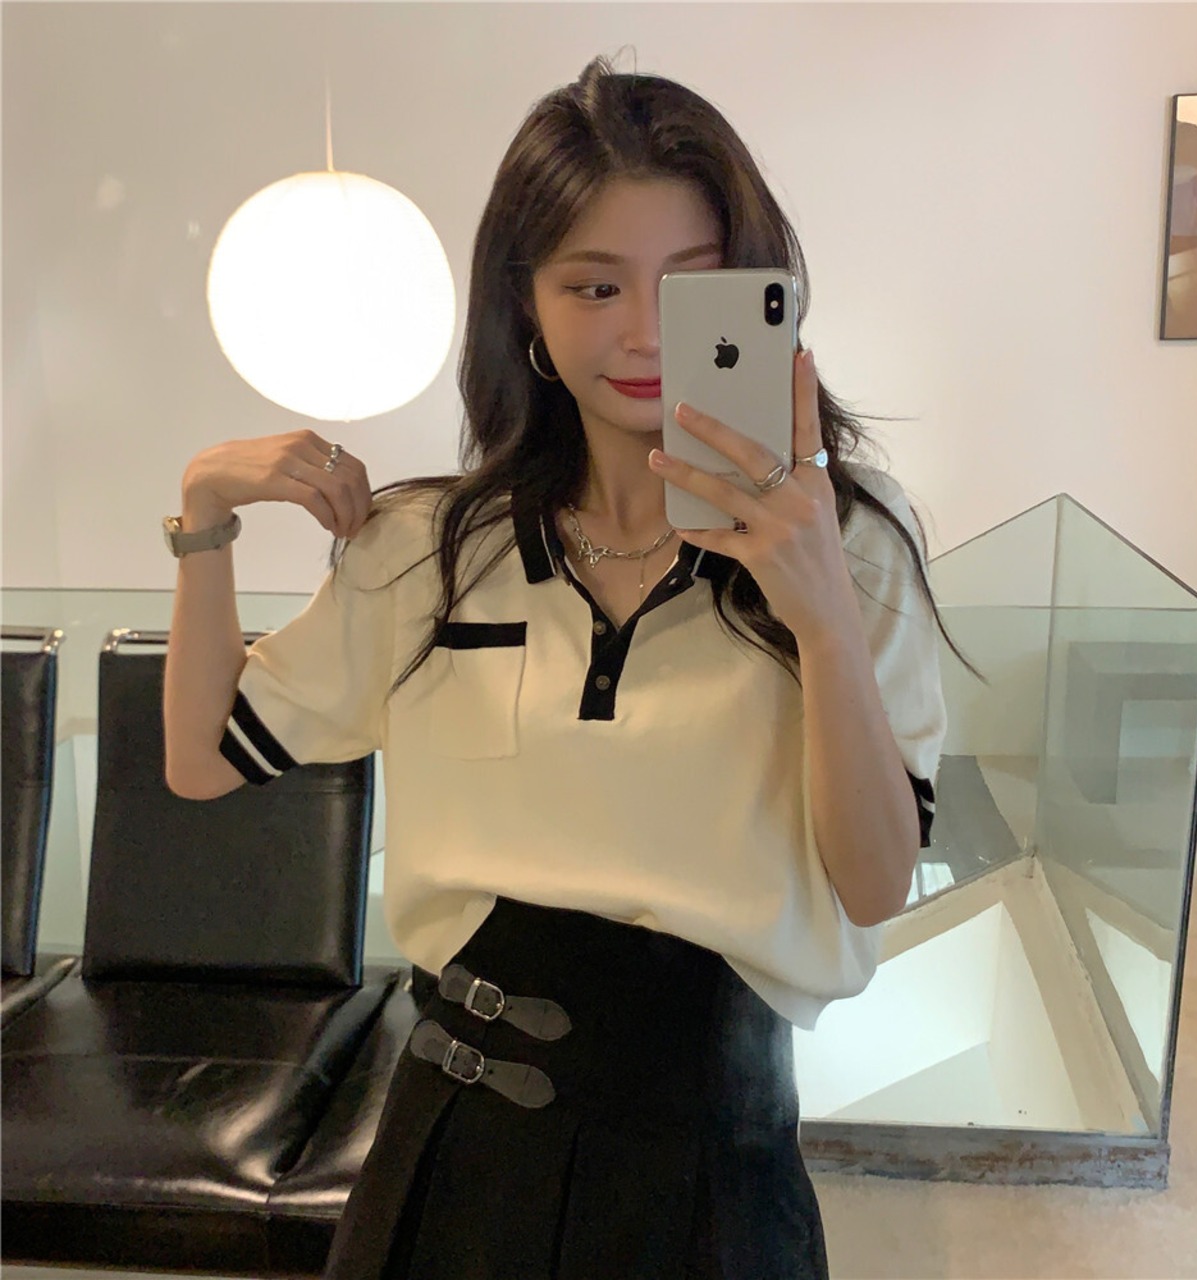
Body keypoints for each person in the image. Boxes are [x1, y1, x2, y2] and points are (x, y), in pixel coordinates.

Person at [164, 53, 960, 1280]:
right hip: (451, 1145)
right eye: (593, 285)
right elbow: (201, 758)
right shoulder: (430, 545)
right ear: (525, 308)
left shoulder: (851, 543)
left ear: (757, 295)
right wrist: (204, 519)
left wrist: (819, 617)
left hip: (708, 1161)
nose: (642, 332)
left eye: (689, 286)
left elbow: (871, 883)